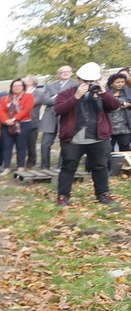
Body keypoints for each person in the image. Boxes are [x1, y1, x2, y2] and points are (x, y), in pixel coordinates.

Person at [53, 62, 119, 208]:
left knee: (100, 166)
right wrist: (76, 96)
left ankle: (103, 194)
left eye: (92, 81)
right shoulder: (67, 93)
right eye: (86, 81)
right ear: (78, 79)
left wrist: (103, 93)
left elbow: (114, 106)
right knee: (68, 167)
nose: (89, 84)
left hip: (98, 137)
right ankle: (63, 196)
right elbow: (58, 110)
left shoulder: (102, 92)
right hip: (73, 138)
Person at [34, 65, 76, 170]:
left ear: (71, 73)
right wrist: (63, 99)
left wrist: (56, 97)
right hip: (50, 116)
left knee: (65, 143)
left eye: (67, 71)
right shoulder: (50, 86)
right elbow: (45, 100)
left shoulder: (76, 84)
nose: (65, 73)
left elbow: (74, 99)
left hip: (67, 116)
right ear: (58, 75)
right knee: (45, 144)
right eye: (62, 72)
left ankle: (61, 166)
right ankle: (45, 166)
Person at [0, 79, 33, 172]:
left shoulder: (28, 96)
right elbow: (1, 111)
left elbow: (26, 110)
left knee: (21, 146)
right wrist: (6, 120)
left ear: (23, 87)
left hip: (23, 124)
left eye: (19, 86)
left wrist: (14, 119)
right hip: (7, 125)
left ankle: (20, 166)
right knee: (7, 146)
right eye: (14, 86)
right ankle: (6, 167)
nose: (16, 88)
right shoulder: (5, 98)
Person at [107, 71, 131, 153]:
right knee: (109, 150)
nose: (120, 84)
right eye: (118, 82)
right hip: (109, 127)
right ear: (111, 83)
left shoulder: (128, 91)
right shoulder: (106, 93)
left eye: (122, 82)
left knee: (125, 150)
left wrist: (128, 104)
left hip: (124, 127)